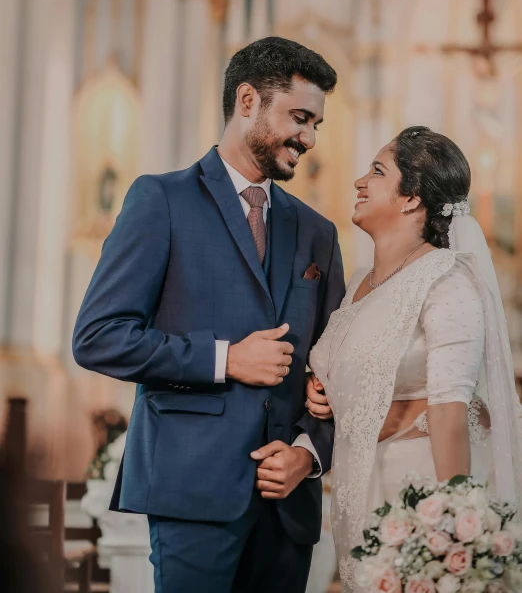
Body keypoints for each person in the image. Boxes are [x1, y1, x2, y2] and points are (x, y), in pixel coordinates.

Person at [72, 36, 345, 593]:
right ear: (248, 101)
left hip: (288, 504)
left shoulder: (319, 231)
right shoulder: (161, 200)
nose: (310, 138)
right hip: (192, 491)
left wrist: (309, 453)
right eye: (299, 118)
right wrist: (227, 359)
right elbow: (98, 336)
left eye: (317, 124)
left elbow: (339, 364)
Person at [306, 126, 522, 592]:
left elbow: (450, 407)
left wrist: (449, 530)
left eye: (378, 172)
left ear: (411, 198)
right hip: (360, 488)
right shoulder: (360, 281)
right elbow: (351, 369)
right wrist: (320, 387)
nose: (359, 181)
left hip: (417, 493)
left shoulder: (447, 280)